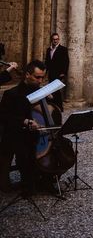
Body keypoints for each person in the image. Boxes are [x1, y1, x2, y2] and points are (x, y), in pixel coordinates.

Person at [0, 60, 47, 192]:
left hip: (35, 134)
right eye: (37, 77)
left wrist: (52, 97)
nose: (40, 81)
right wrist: (25, 121)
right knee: (23, 154)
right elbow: (4, 116)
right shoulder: (11, 94)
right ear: (27, 75)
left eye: (42, 77)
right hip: (16, 134)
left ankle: (41, 178)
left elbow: (55, 110)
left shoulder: (41, 92)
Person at [44, 33, 69, 110]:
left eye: (57, 39)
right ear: (51, 40)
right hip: (51, 73)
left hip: (59, 73)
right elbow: (47, 62)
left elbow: (66, 62)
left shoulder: (63, 49)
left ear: (59, 40)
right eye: (54, 39)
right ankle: (55, 106)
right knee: (53, 90)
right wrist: (45, 72)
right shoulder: (49, 50)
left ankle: (59, 107)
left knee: (56, 90)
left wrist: (64, 73)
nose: (55, 41)